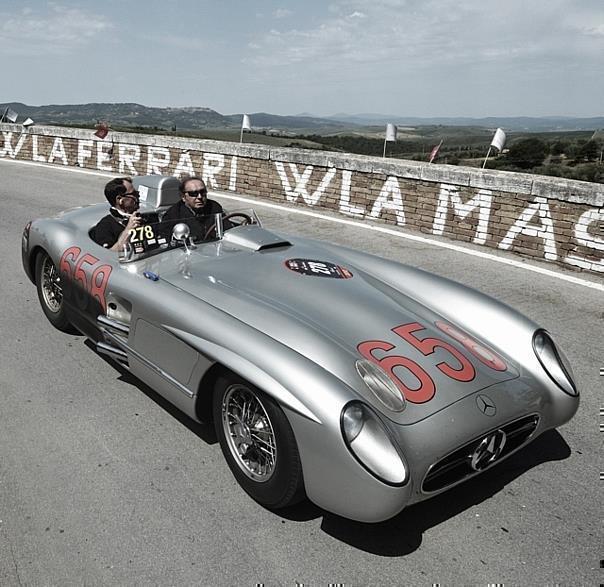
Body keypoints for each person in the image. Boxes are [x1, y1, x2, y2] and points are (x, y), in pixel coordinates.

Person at [162, 176, 227, 241]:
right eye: (193, 193)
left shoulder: (214, 207)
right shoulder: (173, 215)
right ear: (183, 197)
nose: (200, 197)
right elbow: (167, 242)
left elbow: (227, 230)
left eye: (202, 192)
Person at [92, 177, 143, 251]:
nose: (138, 195)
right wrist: (128, 230)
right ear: (120, 200)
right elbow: (108, 254)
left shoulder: (144, 217)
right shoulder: (105, 226)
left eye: (137, 192)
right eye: (134, 194)